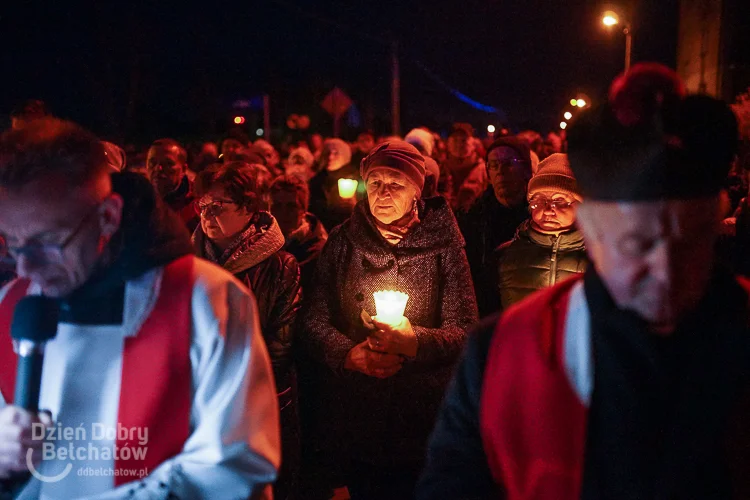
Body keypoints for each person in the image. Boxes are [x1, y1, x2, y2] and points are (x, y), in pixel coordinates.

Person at [417, 63, 749, 499]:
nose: (662, 269)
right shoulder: (504, 352)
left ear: (715, 227)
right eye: (635, 242)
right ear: (590, 231)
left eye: (685, 241)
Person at [0, 118, 279, 498]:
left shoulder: (205, 300)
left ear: (108, 217)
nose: (25, 268)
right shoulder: (11, 304)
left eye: (47, 241)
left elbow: (236, 463)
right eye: (14, 244)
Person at [300, 141, 478, 499]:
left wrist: (415, 342)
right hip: (356, 415)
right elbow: (313, 317)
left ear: (417, 192)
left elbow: (466, 329)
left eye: (395, 183)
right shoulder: (342, 241)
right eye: (375, 182)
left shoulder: (444, 245)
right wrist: (350, 354)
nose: (382, 193)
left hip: (420, 420)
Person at [192, 161, 301, 500]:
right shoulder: (187, 259)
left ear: (248, 208)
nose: (208, 215)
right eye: (202, 206)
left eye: (218, 206)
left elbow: (282, 340)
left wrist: (239, 384)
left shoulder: (280, 265)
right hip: (199, 400)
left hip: (261, 398)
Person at [495, 153, 587, 309]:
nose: (548, 210)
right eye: (539, 200)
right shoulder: (507, 256)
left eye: (559, 201)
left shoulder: (599, 258)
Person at [457, 137, 533, 316]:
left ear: (526, 170)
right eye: (494, 165)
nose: (500, 172)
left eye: (509, 163)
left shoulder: (540, 216)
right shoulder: (473, 218)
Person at [270, 175, 328, 293]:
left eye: (291, 206)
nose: (283, 212)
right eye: (277, 205)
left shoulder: (318, 251)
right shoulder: (260, 242)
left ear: (304, 210)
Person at [308, 138, 363, 231]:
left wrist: (354, 206)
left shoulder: (357, 179)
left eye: (336, 153)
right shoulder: (315, 181)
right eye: (327, 153)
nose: (330, 157)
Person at [146, 138, 200, 231]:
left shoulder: (197, 206)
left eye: (168, 163)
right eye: (152, 163)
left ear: (183, 169)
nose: (158, 168)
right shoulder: (138, 200)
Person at [443, 123, 487, 211]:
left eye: (463, 140)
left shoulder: (483, 170)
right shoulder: (441, 168)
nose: (459, 145)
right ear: (448, 143)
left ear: (473, 143)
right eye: (455, 140)